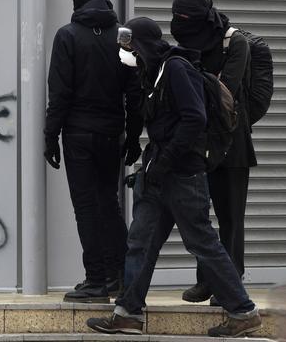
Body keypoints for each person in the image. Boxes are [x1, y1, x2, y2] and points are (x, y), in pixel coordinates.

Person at [85, 17, 262, 337]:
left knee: (202, 242)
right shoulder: (152, 73)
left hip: (183, 174)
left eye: (131, 45)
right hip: (159, 175)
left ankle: (243, 310)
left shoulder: (177, 69)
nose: (128, 52)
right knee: (141, 241)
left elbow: (195, 118)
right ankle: (128, 313)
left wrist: (163, 162)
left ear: (145, 44)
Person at [44, 0, 142, 303]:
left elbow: (59, 93)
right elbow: (134, 91)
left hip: (79, 135)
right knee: (109, 205)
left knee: (86, 207)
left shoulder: (68, 36)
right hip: (111, 134)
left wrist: (50, 136)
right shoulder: (123, 36)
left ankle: (96, 280)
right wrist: (133, 135)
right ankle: (121, 277)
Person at [170, 0, 255, 306]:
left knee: (231, 217)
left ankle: (230, 285)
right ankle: (205, 280)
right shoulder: (189, 41)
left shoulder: (235, 43)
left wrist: (195, 85)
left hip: (232, 144)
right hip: (200, 142)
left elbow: (224, 92)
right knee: (200, 217)